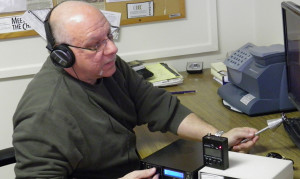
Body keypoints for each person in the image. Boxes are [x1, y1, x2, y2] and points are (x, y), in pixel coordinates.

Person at [12, 1, 259, 179]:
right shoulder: (44, 114)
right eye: (95, 45)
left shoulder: (107, 67)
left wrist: (216, 136)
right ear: (62, 56)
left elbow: (159, 106)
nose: (111, 50)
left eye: (109, 36)